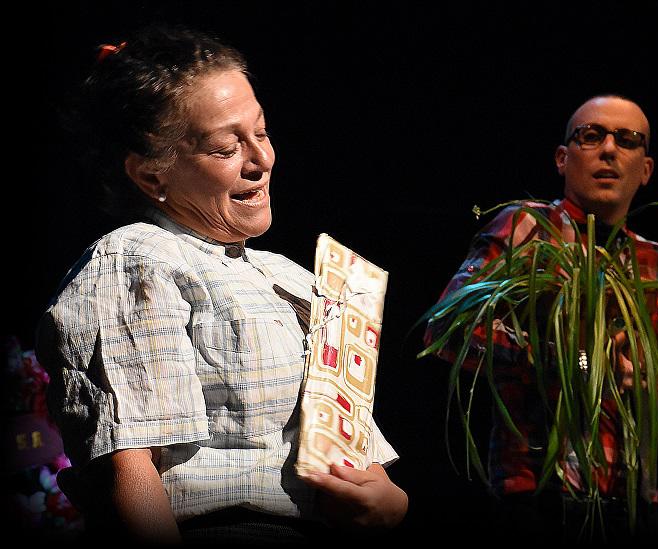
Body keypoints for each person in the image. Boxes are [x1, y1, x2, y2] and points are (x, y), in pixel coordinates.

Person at [35, 25, 407, 543]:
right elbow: (128, 467)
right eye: (225, 147)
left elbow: (351, 446)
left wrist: (389, 502)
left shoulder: (292, 276)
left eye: (262, 133)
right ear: (152, 176)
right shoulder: (138, 260)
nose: (261, 161)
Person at [423, 94, 658, 541]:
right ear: (562, 159)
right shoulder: (526, 227)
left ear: (645, 168)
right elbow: (448, 328)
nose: (609, 149)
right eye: (591, 136)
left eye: (627, 140)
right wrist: (576, 357)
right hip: (536, 498)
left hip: (634, 507)